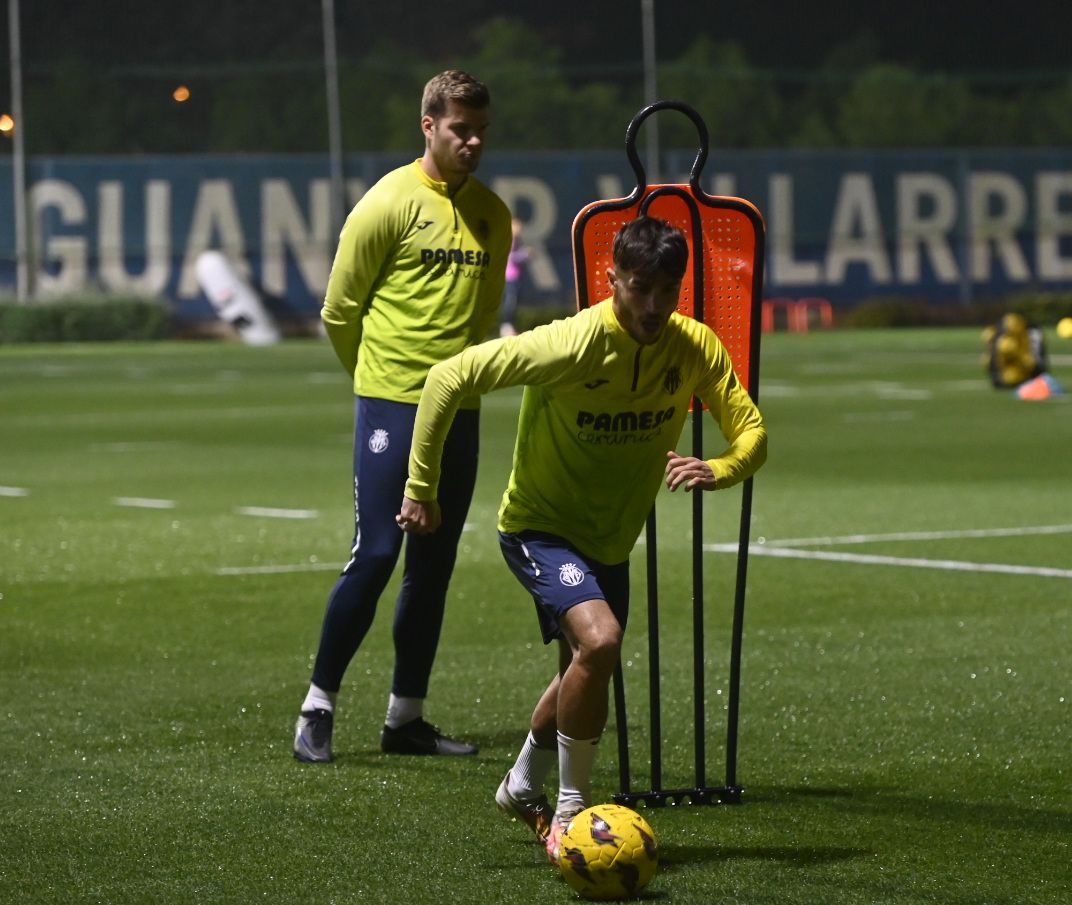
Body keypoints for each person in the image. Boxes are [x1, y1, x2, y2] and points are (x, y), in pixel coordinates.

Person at [399, 215, 768, 861]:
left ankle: (520, 788)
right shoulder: (570, 344)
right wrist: (420, 486)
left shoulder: (694, 347)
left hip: (609, 540)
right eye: (638, 287)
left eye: (667, 289)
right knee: (602, 640)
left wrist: (720, 468)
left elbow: (753, 433)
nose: (653, 305)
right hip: (538, 526)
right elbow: (446, 378)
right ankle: (573, 811)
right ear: (612, 278)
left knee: (584, 669)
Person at [294, 69, 511, 764]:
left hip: (461, 409)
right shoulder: (385, 203)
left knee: (434, 564)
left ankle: (405, 720)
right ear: (428, 126)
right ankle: (317, 707)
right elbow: (338, 312)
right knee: (378, 553)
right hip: (390, 401)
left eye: (480, 130)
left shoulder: (493, 216)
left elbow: (483, 319)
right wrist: (376, 382)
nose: (473, 142)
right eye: (459, 129)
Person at [497, 217, 530, 337]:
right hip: (510, 277)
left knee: (514, 303)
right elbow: (510, 256)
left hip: (516, 277)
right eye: (516, 226)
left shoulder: (518, 240)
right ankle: (506, 328)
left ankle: (509, 327)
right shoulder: (510, 239)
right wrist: (525, 255)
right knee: (510, 303)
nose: (519, 228)